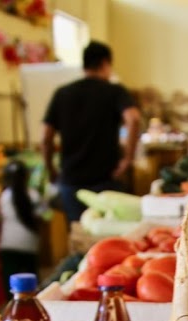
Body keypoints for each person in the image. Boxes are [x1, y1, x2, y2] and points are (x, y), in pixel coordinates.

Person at [41, 41, 141, 225]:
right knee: (109, 234)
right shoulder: (114, 92)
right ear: (105, 63)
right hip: (105, 178)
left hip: (71, 179)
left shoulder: (62, 94)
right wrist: (128, 158)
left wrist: (51, 169)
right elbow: (133, 119)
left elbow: (46, 138)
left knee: (79, 233)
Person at [0, 160, 42, 293]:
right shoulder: (33, 195)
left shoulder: (5, 196)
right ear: (26, 176)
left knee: (11, 284)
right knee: (31, 283)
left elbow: (3, 214)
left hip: (8, 245)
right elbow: (42, 216)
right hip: (30, 244)